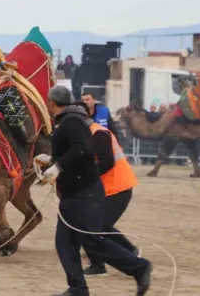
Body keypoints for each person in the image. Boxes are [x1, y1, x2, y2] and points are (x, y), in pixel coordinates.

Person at [36, 86, 151, 296]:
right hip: (75, 193)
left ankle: (139, 267)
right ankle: (77, 288)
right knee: (65, 243)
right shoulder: (68, 120)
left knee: (91, 241)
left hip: (84, 193)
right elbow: (74, 150)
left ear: (51, 102)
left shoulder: (70, 121)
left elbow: (82, 149)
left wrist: (57, 167)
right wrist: (51, 160)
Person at [72, 101, 140, 277]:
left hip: (118, 188)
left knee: (99, 226)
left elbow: (107, 163)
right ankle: (98, 265)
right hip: (103, 189)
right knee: (91, 225)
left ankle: (130, 253)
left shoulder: (98, 134)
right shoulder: (85, 135)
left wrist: (84, 177)